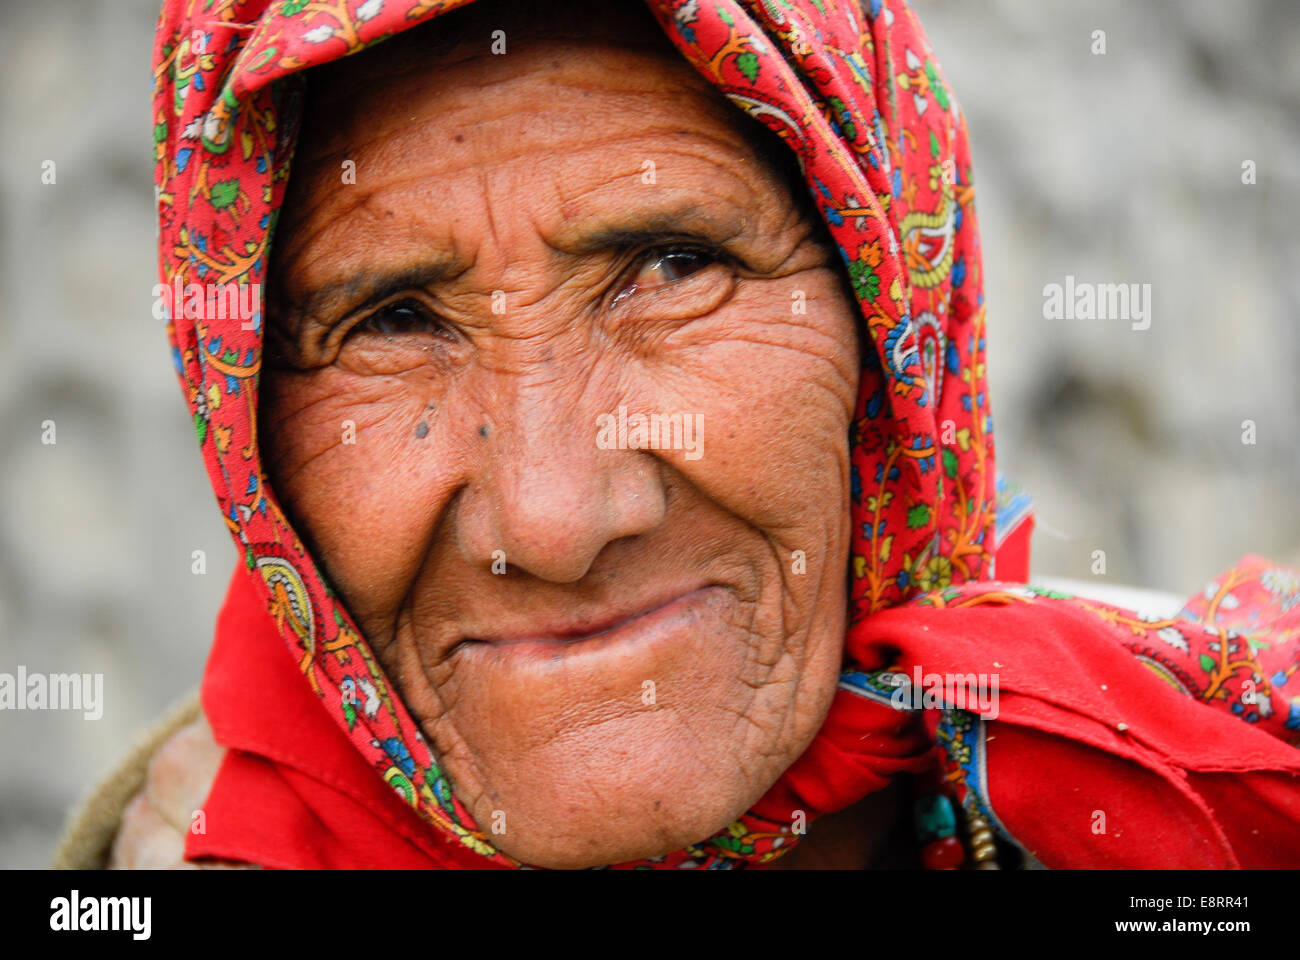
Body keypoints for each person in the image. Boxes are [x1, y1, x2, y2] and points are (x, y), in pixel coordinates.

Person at [57, 0, 1300, 870]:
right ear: (247, 422)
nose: (552, 520)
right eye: (390, 321)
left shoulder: (1214, 772)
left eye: (669, 265)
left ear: (894, 331)